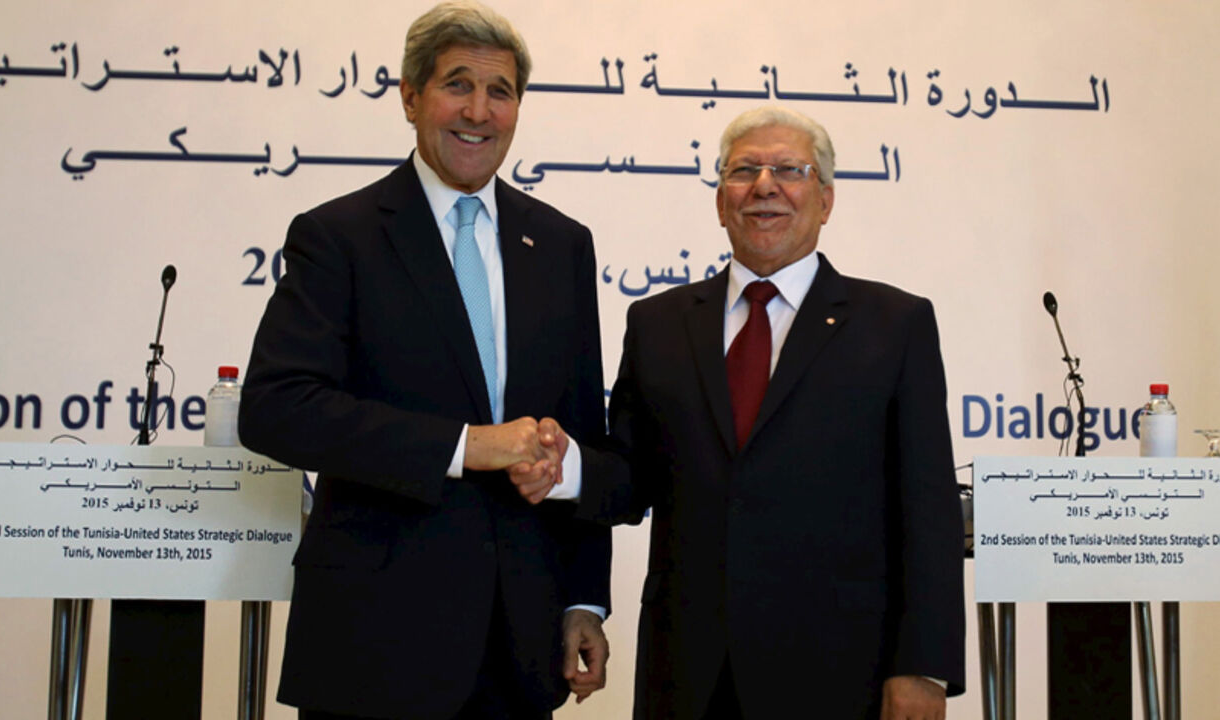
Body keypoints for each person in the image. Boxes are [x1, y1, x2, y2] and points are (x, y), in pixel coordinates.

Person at [513, 105, 965, 719]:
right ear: (721, 202)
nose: (764, 185)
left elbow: (928, 508)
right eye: (744, 170)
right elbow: (632, 478)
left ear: (826, 201)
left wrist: (924, 666)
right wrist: (566, 468)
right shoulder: (657, 323)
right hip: (689, 673)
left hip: (841, 672)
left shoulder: (895, 324)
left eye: (790, 170)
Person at [238, 2, 610, 718]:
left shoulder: (562, 244)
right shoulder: (337, 236)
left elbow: (580, 439)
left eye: (500, 91)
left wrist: (584, 600)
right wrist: (465, 446)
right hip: (374, 644)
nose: (479, 111)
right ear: (410, 97)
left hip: (520, 647)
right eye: (457, 85)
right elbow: (276, 407)